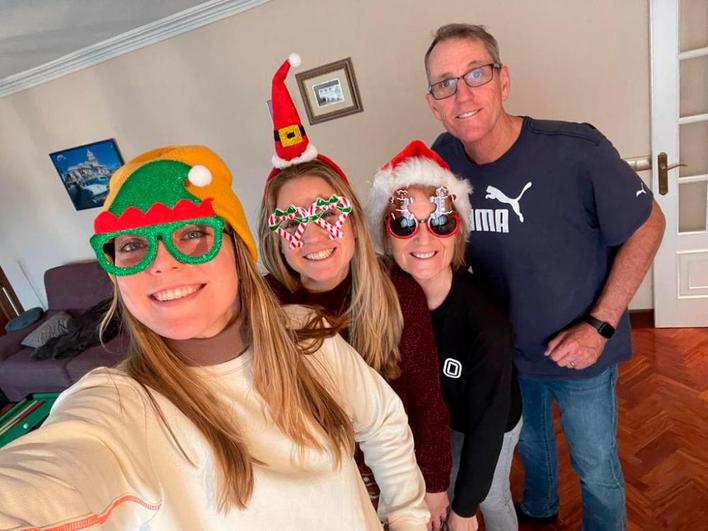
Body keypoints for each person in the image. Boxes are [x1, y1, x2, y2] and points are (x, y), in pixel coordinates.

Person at [0, 145, 430, 530]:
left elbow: (384, 423)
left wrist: (408, 516)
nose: (163, 264)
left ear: (237, 250)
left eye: (191, 234)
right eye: (132, 244)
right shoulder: (117, 407)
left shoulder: (306, 334)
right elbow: (54, 475)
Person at [423, 23, 666, 530]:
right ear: (434, 102)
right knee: (532, 457)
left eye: (475, 74)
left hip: (582, 355)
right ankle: (541, 514)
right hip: (506, 359)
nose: (461, 93)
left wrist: (599, 326)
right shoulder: (440, 161)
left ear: (503, 80)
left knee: (596, 468)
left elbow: (649, 224)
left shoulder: (576, 150)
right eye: (445, 83)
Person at [258, 55, 452, 530]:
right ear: (275, 235)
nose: (317, 235)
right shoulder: (261, 307)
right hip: (321, 494)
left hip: (401, 482)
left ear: (350, 217)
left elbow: (428, 400)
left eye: (327, 213)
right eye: (294, 223)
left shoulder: (397, 291)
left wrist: (434, 486)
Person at [368, 140, 523, 531]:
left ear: (457, 233)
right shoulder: (381, 295)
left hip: (488, 416)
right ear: (386, 236)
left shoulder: (485, 322)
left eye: (439, 222)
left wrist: (465, 510)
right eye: (405, 224)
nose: (423, 240)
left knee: (486, 494)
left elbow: (488, 423)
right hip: (437, 418)